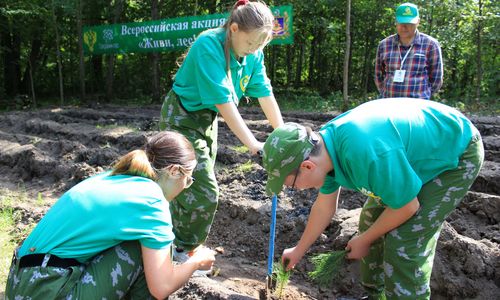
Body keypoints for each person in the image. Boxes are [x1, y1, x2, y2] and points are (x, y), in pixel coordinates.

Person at [262, 98, 484, 299]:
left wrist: (365, 239)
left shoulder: (365, 154)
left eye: (291, 184)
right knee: (369, 219)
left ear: (307, 166)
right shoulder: (325, 153)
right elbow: (323, 207)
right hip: (409, 154)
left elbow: (407, 206)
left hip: (456, 150)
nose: (296, 189)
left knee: (405, 239)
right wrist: (298, 250)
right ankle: (375, 295)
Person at [5, 131, 216, 299]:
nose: (186, 186)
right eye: (188, 179)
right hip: (47, 288)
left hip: (24, 284)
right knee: (145, 249)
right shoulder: (151, 200)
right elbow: (161, 287)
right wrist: (196, 261)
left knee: (145, 245)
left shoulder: (114, 178)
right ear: (174, 171)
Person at [159, 0, 284, 261]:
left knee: (187, 186)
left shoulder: (253, 53)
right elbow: (225, 104)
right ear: (234, 29)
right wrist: (255, 146)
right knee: (203, 190)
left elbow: (265, 93)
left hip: (208, 118)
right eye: (251, 43)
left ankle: (166, 237)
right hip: (181, 117)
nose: (254, 51)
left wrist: (283, 134)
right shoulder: (209, 45)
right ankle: (181, 249)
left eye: (261, 45)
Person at [375, 3, 443, 100]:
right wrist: (384, 92)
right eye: (401, 23)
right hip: (389, 104)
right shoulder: (384, 45)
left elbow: (436, 79)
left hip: (418, 106)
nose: (404, 27)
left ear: (418, 22)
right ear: (396, 22)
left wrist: (425, 95)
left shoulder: (431, 45)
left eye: (409, 23)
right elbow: (378, 75)